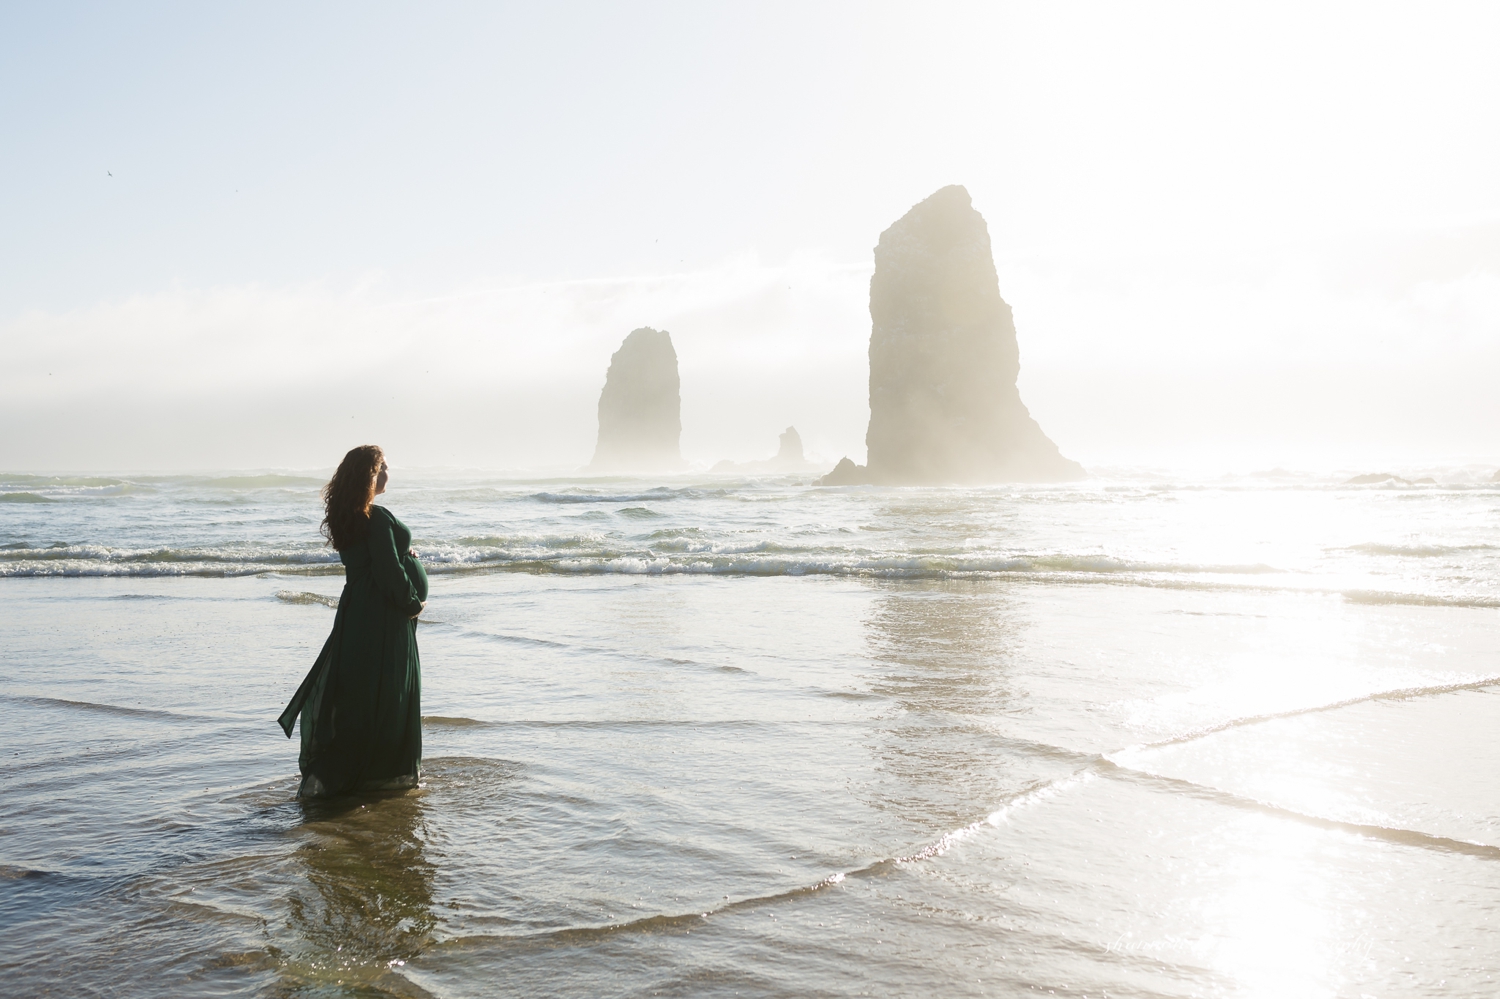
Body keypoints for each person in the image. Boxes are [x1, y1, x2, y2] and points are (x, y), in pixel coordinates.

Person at [278, 445, 428, 797]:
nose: (389, 473)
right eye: (384, 468)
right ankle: (383, 775)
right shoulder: (374, 517)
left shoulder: (351, 516)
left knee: (360, 692)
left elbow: (378, 559)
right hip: (383, 614)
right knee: (388, 692)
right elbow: (388, 570)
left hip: (358, 612)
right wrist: (412, 604)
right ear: (370, 475)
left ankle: (353, 773)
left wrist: (406, 555)